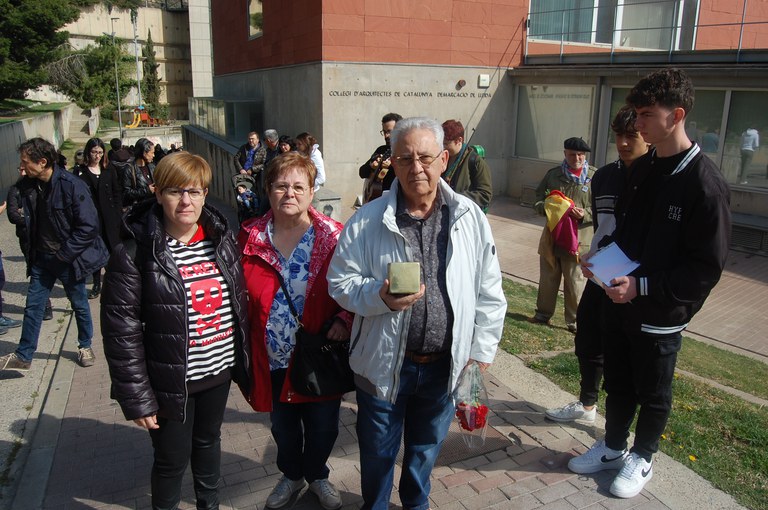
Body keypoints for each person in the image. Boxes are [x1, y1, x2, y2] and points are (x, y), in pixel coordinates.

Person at [567, 68, 731, 499]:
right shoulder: (645, 168)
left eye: (644, 115)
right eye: (635, 114)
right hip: (617, 300)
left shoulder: (705, 185)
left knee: (653, 389)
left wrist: (642, 288)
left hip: (659, 311)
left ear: (675, 115)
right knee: (618, 380)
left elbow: (705, 268)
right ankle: (614, 446)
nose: (635, 124)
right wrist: (599, 259)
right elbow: (628, 232)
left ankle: (643, 456)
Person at [327, 117, 507, 510]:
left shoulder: (469, 217)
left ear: (444, 159)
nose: (416, 168)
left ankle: (415, 504)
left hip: (445, 365)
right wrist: (381, 297)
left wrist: (480, 352)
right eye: (405, 158)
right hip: (382, 363)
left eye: (425, 157)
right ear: (393, 161)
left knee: (425, 449)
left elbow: (489, 293)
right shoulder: (368, 220)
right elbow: (339, 283)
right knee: (377, 452)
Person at [101, 151, 251, 510]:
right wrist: (136, 396)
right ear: (157, 193)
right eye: (175, 191)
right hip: (170, 380)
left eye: (195, 191)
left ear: (205, 194)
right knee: (171, 461)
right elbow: (121, 332)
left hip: (217, 371)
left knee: (208, 443)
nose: (186, 201)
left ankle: (209, 505)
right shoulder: (135, 252)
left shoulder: (220, 240)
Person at [240, 152, 351, 510]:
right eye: (280, 186)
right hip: (271, 358)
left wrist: (344, 320)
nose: (290, 193)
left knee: (323, 428)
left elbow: (355, 286)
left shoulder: (334, 237)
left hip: (317, 356)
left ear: (312, 191)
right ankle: (291, 475)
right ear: (268, 190)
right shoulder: (249, 239)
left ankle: (317, 475)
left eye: (298, 186)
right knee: (283, 430)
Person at [545, 106, 650, 423]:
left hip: (634, 283)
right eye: (618, 136)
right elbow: (602, 225)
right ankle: (586, 404)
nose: (624, 143)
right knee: (587, 339)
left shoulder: (657, 179)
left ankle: (621, 432)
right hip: (598, 274)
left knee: (624, 353)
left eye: (631, 136)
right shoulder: (604, 177)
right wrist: (592, 253)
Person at [0, 137, 108, 372]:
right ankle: (24, 355)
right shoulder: (28, 186)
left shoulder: (71, 185)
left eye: (25, 162)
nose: (22, 166)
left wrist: (64, 255)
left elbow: (88, 227)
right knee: (33, 306)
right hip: (41, 259)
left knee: (79, 303)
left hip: (68, 260)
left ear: (42, 162)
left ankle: (85, 345)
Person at [529, 137, 596, 333]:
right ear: (565, 154)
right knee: (548, 279)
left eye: (581, 154)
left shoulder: (595, 177)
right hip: (553, 237)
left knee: (575, 282)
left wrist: (586, 213)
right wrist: (547, 208)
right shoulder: (553, 175)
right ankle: (542, 315)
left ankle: (575, 322)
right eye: (572, 154)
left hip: (579, 240)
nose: (577, 158)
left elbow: (602, 206)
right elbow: (538, 198)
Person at [73, 138, 122, 299]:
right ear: (88, 152)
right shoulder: (81, 172)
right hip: (91, 218)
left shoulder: (109, 169)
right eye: (94, 152)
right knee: (95, 251)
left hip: (110, 217)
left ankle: (115, 281)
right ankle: (96, 283)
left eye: (100, 152)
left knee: (113, 251)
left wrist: (117, 214)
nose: (97, 156)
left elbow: (116, 193)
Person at [6, 164, 53, 321]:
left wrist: (26, 214)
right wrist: (30, 219)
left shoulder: (40, 186)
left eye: (26, 168)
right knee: (35, 270)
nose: (23, 171)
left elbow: (48, 210)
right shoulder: (15, 190)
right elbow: (13, 215)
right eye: (21, 169)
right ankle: (44, 306)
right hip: (27, 238)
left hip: (45, 236)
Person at [441, 119, 493, 211]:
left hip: (463, 214)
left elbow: (485, 195)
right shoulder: (443, 157)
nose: (443, 147)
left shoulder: (475, 161)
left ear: (459, 140)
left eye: (446, 143)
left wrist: (457, 197)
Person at [358, 112, 402, 203]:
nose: (386, 136)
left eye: (389, 131)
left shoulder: (406, 152)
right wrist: (371, 166)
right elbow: (362, 172)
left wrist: (393, 166)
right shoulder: (381, 150)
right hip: (377, 202)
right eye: (384, 132)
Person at [121, 137, 157, 208]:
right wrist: (146, 191)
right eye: (152, 153)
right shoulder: (129, 170)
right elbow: (126, 193)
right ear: (144, 153)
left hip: (154, 207)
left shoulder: (152, 167)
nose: (153, 155)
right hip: (140, 209)